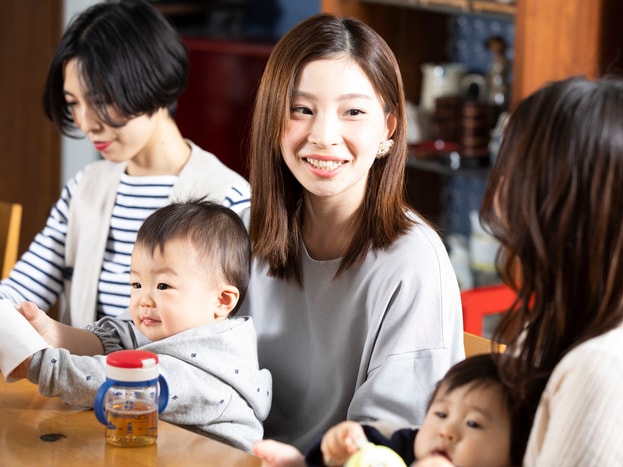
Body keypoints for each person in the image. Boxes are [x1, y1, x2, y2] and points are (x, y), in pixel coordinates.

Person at [240, 13, 464, 452]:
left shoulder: (413, 262)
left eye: (353, 112)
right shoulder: (242, 230)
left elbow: (390, 443)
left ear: (389, 128)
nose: (323, 136)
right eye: (301, 110)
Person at [480, 76, 623, 465]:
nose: (498, 194)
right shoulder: (588, 323)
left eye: (513, 170)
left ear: (560, 199)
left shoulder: (606, 366)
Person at [0, 0, 251, 327]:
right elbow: (18, 292)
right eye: (74, 103)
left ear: (153, 84)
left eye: (101, 100)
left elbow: (233, 338)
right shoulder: (85, 187)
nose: (87, 122)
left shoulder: (228, 198)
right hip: (80, 378)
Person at [3, 200, 272, 452]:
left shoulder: (208, 367)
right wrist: (49, 333)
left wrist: (39, 363)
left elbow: (116, 384)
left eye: (163, 286)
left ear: (222, 300)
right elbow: (121, 335)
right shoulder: (177, 330)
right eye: (136, 284)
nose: (143, 299)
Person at [255, 354, 528, 467]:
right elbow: (368, 451)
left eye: (473, 424)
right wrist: (342, 448)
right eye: (441, 414)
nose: (447, 431)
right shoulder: (407, 446)